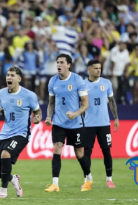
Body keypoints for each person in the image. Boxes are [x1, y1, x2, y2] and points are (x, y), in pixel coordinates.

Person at [0, 66, 42, 198]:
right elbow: (4, 112)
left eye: (12, 75)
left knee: (6, 154)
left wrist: (37, 118)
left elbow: (38, 110)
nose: (9, 77)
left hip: (21, 134)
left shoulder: (29, 95)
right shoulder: (2, 93)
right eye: (8, 75)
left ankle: (3, 191)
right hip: (5, 133)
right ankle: (13, 179)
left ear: (19, 79)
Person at [44, 53, 93, 192]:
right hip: (59, 122)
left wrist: (75, 114)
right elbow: (51, 104)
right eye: (57, 62)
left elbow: (85, 104)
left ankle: (88, 178)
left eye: (61, 62)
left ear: (68, 65)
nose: (58, 65)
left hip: (75, 124)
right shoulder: (53, 81)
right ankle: (55, 184)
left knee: (79, 153)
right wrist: (48, 117)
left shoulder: (77, 80)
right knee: (57, 147)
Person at [82, 59, 119, 188]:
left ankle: (109, 179)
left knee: (107, 151)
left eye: (100, 68)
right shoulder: (83, 84)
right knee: (86, 152)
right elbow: (80, 104)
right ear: (89, 69)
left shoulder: (106, 83)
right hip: (88, 124)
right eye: (96, 68)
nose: (99, 70)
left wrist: (116, 118)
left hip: (104, 123)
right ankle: (87, 180)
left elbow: (111, 101)